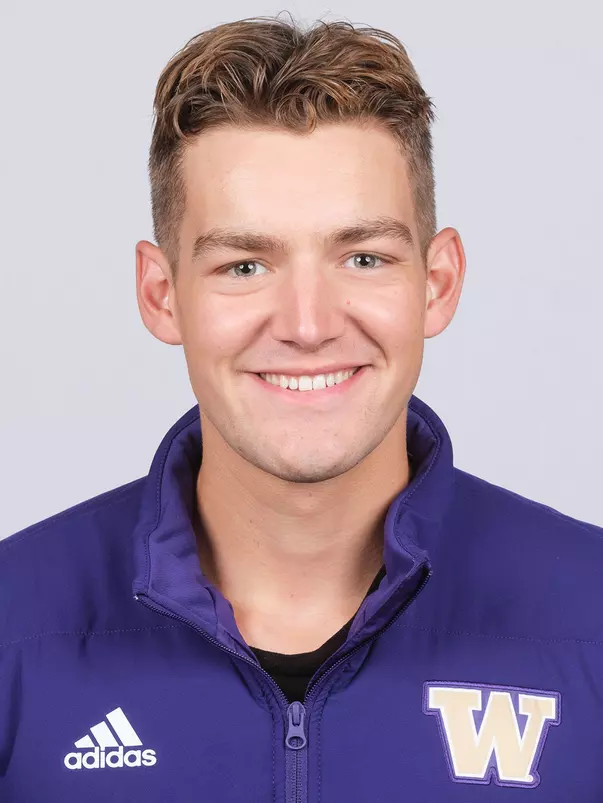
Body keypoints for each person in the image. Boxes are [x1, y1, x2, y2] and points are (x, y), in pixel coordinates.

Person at [1, 14, 602, 803]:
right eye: (244, 265)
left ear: (437, 282)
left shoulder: (589, 613)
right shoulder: (14, 625)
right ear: (161, 294)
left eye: (363, 257)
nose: (308, 324)